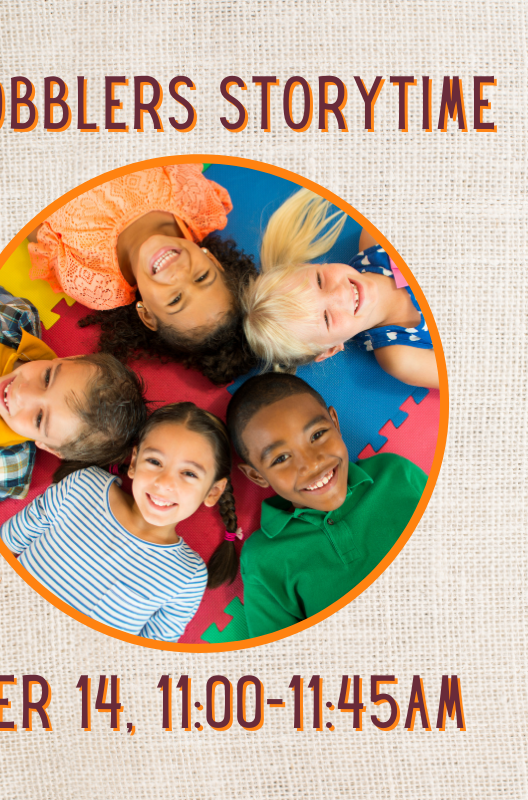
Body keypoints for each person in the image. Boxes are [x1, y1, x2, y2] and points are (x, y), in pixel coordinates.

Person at [0, 403, 241, 642]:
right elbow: (5, 543)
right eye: (155, 462)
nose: (164, 483)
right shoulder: (82, 487)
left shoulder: (187, 576)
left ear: (213, 491)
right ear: (134, 462)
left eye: (189, 473)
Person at [226, 373, 427, 638]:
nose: (312, 463)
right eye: (281, 458)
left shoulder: (394, 473)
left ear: (335, 422)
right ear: (256, 476)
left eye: (317, 435)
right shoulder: (262, 559)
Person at [28, 164, 258, 385]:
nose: (178, 274)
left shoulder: (91, 281)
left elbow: (33, 226)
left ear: (147, 314)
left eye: (176, 299)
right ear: (212, 260)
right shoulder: (194, 199)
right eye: (201, 278)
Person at [0, 285, 147, 510]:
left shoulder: (3, 469)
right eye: (47, 378)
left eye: (39, 418)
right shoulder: (16, 319)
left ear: (48, 447)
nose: (23, 392)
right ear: (70, 359)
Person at [243, 188, 438, 388]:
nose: (340, 293)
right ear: (331, 349)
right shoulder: (402, 358)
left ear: (308, 266)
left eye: (319, 281)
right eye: (326, 318)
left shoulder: (375, 238)